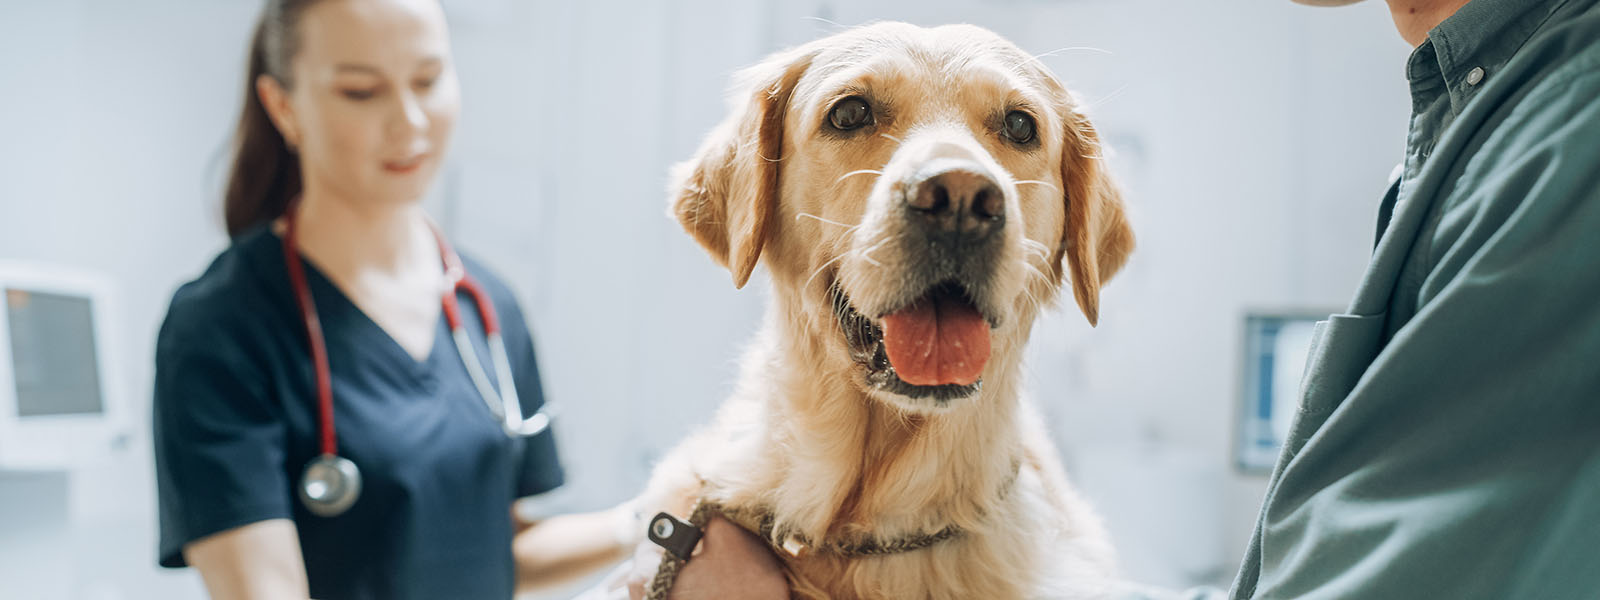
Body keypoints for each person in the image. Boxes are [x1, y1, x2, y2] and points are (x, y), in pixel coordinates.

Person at [633, 0, 1600, 598]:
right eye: (854, 117)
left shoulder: (1564, 125)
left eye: (1014, 131)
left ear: (1069, 241)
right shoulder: (685, 534)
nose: (958, 186)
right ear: (761, 209)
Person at [152, 1, 637, 598]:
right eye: (361, 92)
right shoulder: (221, 327)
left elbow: (500, 550)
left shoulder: (489, 307)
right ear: (283, 106)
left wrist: (655, 518)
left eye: (429, 80)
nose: (410, 121)